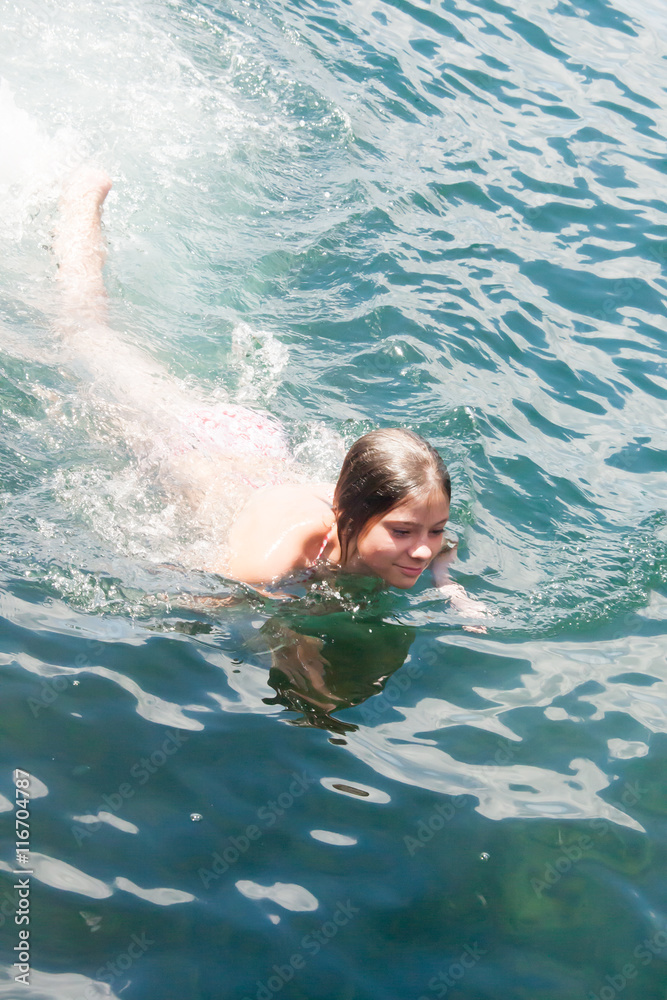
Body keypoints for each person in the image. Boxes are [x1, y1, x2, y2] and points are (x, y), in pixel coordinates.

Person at [54, 167, 487, 625]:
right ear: (350, 515)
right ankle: (80, 206)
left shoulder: (416, 530)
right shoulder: (278, 554)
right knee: (85, 338)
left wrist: (449, 586)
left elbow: (444, 546)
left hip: (258, 447)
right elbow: (193, 595)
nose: (424, 548)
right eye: (403, 531)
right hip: (196, 452)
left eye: (434, 530)